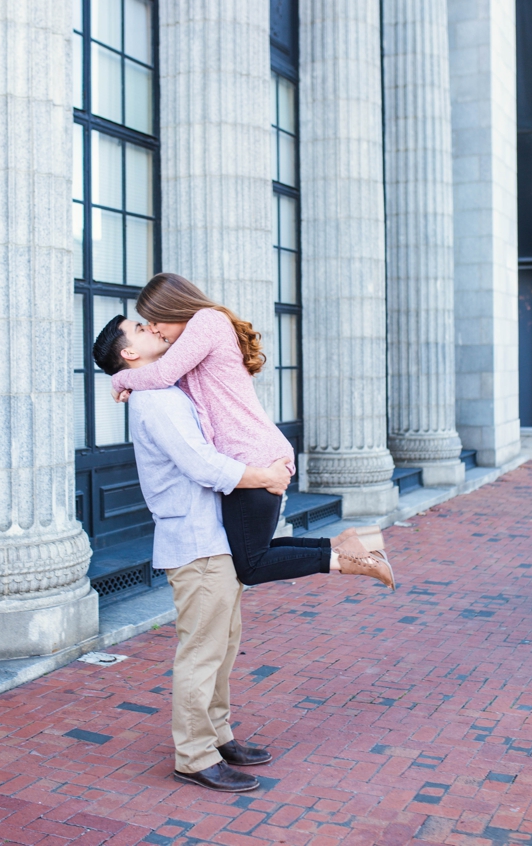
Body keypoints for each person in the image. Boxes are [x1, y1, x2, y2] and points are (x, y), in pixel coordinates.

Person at [93, 315, 289, 792]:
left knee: (221, 646)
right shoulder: (156, 401)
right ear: (129, 354)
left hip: (214, 538)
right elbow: (201, 465)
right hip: (195, 543)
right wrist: (263, 476)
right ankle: (194, 756)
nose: (153, 329)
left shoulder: (166, 385)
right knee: (202, 652)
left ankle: (218, 736)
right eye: (140, 328)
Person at [109, 273, 392, 588]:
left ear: (173, 308)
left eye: (155, 319)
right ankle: (352, 543)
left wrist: (119, 380)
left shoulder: (206, 322)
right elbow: (163, 378)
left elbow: (161, 374)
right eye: (146, 324)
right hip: (251, 456)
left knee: (251, 566)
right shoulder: (193, 339)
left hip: (252, 459)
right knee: (255, 553)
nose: (154, 328)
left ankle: (351, 561)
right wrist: (134, 381)